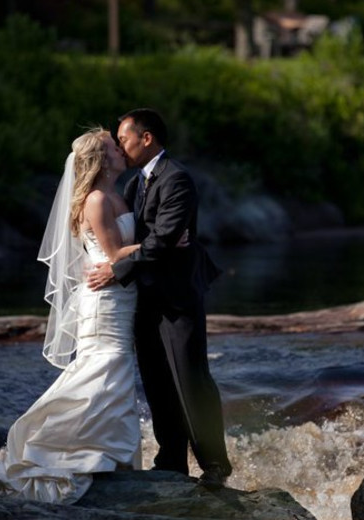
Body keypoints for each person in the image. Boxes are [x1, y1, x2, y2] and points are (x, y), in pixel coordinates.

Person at [0, 128, 142, 504]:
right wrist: (161, 242)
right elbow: (115, 256)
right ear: (100, 160)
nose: (120, 150)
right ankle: (44, 446)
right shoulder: (97, 200)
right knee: (105, 368)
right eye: (113, 147)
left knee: (114, 373)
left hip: (119, 298)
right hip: (105, 302)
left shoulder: (116, 194)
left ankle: (104, 455)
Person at [86, 108, 232, 488]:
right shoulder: (135, 185)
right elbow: (149, 240)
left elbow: (165, 239)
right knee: (157, 383)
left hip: (177, 298)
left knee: (191, 379)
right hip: (145, 300)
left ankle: (215, 465)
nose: (121, 146)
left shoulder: (176, 179)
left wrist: (118, 270)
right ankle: (171, 461)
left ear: (146, 138)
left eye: (124, 139)